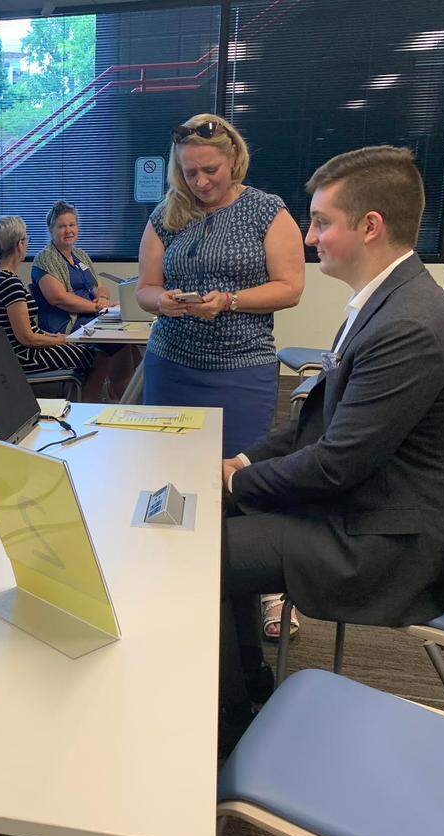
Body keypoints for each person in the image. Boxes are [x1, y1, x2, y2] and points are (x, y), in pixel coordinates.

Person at [217, 146, 444, 755]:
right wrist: (242, 464)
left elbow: (336, 464)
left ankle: (231, 736)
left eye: (321, 222)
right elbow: (315, 423)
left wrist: (234, 483)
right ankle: (251, 688)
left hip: (389, 542)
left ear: (370, 226)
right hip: (373, 508)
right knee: (222, 526)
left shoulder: (407, 325)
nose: (309, 237)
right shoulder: (385, 303)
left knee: (208, 554)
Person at [135, 113, 305, 640]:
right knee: (168, 477)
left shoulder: (265, 211)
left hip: (241, 368)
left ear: (233, 159)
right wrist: (165, 301)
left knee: (244, 479)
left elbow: (291, 287)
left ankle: (270, 592)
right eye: (189, 172)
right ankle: (175, 573)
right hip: (173, 365)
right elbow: (145, 289)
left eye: (210, 170)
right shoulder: (168, 215)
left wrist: (229, 301)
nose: (200, 182)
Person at [0, 215, 114, 397]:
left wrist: (53, 336)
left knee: (94, 350)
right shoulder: (9, 283)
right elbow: (26, 338)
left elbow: (27, 330)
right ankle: (84, 407)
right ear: (20, 244)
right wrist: (60, 340)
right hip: (23, 356)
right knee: (95, 355)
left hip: (16, 350)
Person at [31, 200, 139, 399]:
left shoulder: (79, 255)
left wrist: (103, 298)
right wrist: (96, 307)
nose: (68, 230)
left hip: (91, 317)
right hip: (66, 324)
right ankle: (116, 400)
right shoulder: (45, 258)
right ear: (51, 229)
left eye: (72, 225)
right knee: (117, 345)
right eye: (62, 226)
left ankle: (119, 399)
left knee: (130, 344)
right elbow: (58, 299)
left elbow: (98, 286)